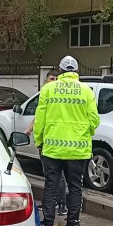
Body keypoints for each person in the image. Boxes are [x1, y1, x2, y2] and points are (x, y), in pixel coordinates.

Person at [34, 56, 99, 226]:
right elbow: (94, 119)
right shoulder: (86, 91)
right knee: (75, 186)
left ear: (60, 72)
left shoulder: (48, 89)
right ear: (76, 72)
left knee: (51, 186)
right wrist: (85, 132)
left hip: (52, 148)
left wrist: (39, 140)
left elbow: (40, 120)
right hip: (77, 149)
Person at [24, 70, 68, 216]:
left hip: (56, 142)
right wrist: (30, 130)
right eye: (51, 78)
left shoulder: (59, 97)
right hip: (47, 142)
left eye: (56, 78)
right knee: (49, 175)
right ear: (46, 81)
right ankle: (51, 202)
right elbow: (39, 116)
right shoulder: (46, 94)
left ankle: (61, 204)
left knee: (57, 175)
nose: (53, 81)